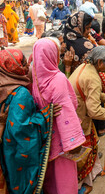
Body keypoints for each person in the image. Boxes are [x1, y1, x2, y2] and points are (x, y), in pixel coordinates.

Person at [31, 39, 86, 194]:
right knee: (65, 181)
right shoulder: (58, 78)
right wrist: (74, 143)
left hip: (45, 140)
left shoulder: (35, 79)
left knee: (50, 181)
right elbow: (66, 112)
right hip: (63, 141)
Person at [68, 46, 105, 193]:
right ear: (99, 62)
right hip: (80, 119)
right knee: (84, 153)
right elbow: (94, 111)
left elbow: (87, 91)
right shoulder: (93, 78)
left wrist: (104, 96)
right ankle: (83, 184)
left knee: (91, 145)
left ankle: (90, 175)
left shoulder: (85, 67)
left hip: (75, 116)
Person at [0, 49, 53, 193]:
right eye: (22, 63)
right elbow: (21, 128)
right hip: (15, 148)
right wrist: (44, 115)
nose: (26, 67)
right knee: (23, 183)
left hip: (5, 145)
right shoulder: (20, 93)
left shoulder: (3, 85)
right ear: (14, 68)